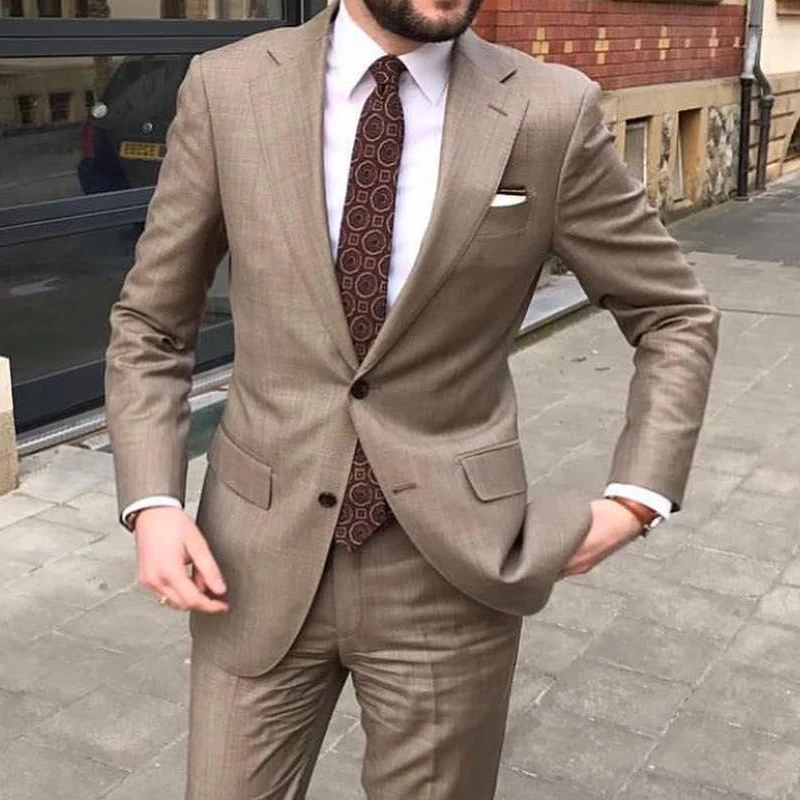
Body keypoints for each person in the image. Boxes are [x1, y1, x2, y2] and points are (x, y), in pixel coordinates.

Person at [104, 0, 719, 797]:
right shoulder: (231, 89)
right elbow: (151, 323)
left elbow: (673, 312)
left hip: (450, 571)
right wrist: (152, 501)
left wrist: (638, 497)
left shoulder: (549, 111)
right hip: (251, 559)